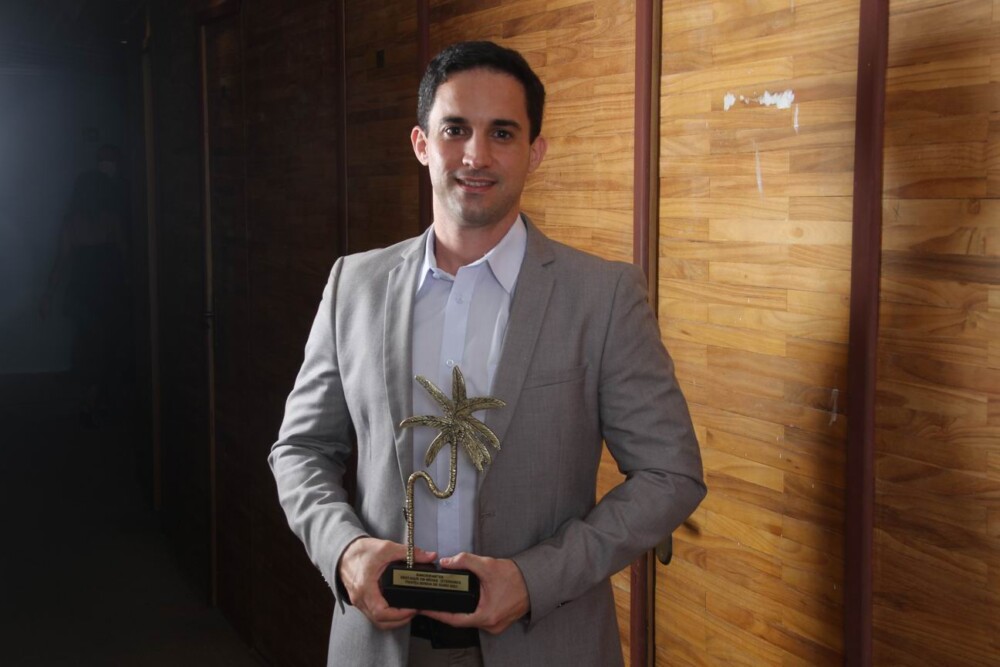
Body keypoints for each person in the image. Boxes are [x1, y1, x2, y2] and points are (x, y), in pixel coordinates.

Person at [269, 41, 705, 667]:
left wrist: (534, 579)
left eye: (502, 132)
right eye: (455, 130)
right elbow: (300, 450)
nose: (476, 155)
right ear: (421, 144)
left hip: (545, 644)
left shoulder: (602, 297)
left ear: (535, 152)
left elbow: (671, 474)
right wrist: (343, 550)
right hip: (379, 647)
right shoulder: (353, 286)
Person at [41, 144, 130, 428]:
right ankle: (95, 400)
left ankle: (89, 400)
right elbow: (125, 255)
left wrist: (47, 296)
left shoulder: (73, 223)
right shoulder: (111, 219)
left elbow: (60, 263)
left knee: (87, 346)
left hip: (83, 294)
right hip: (107, 292)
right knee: (105, 346)